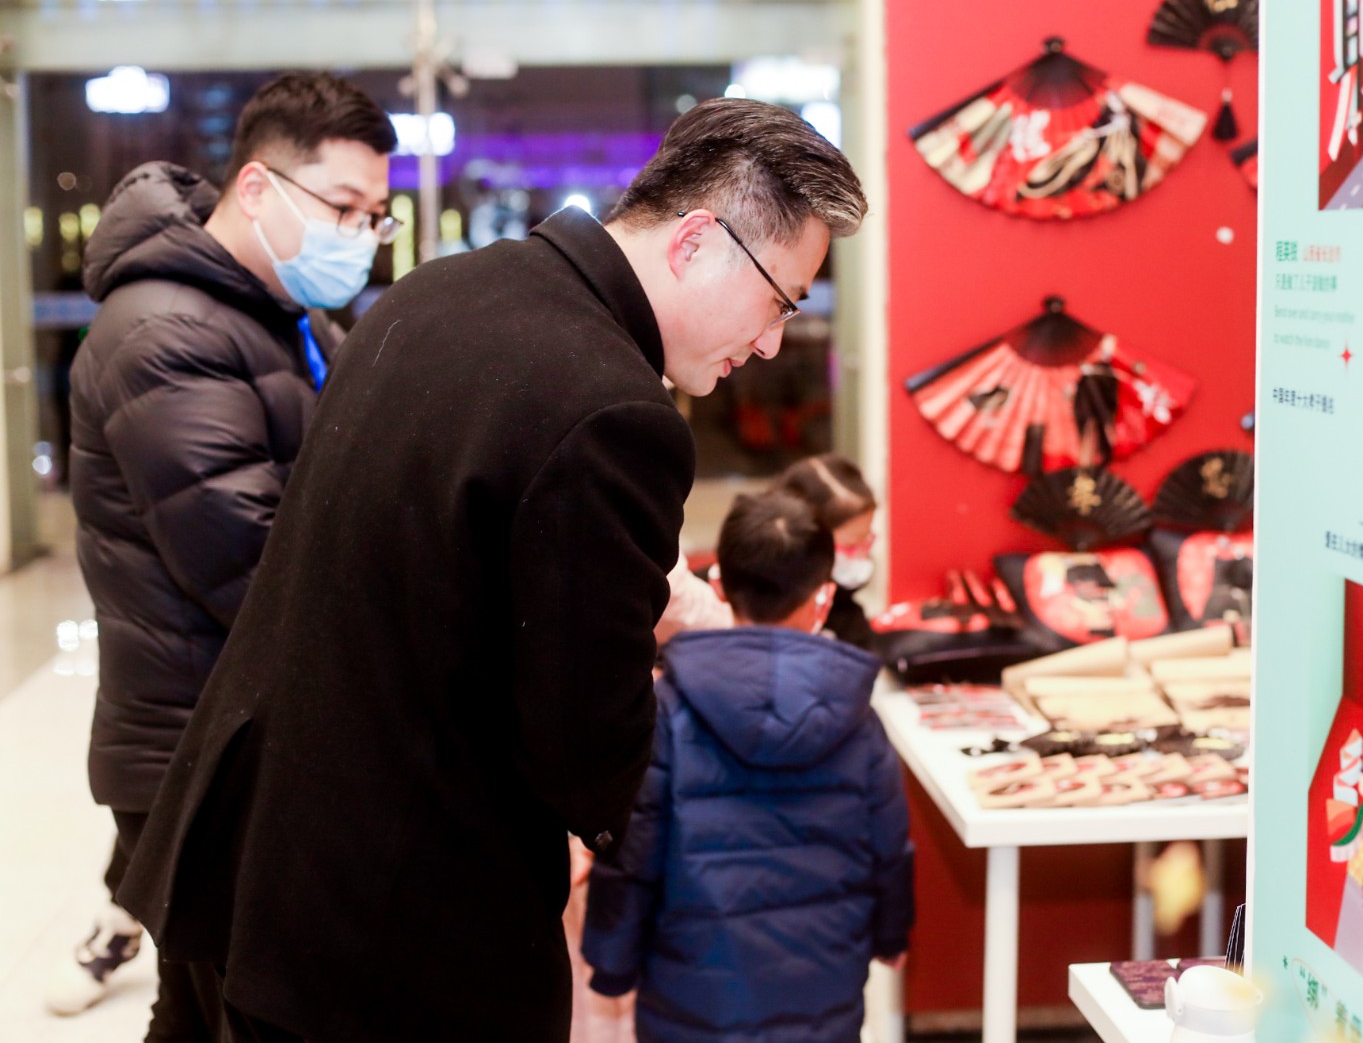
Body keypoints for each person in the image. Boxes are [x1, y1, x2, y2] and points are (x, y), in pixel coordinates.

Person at [117, 97, 867, 1042]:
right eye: (779, 300)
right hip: (396, 926)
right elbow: (581, 749)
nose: (770, 342)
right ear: (696, 243)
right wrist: (665, 628)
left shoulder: (438, 291)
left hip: (250, 852)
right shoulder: (614, 411)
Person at [57, 73, 395, 1035]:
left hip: (243, 729)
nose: (360, 235)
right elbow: (250, 562)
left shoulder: (282, 314)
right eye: (343, 207)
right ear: (257, 187)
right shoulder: (167, 331)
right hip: (199, 746)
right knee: (235, 1007)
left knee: (199, 1011)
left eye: (374, 217)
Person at [581, 490, 914, 1042]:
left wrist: (612, 962)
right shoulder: (859, 719)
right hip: (822, 994)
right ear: (824, 596)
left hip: (691, 1000)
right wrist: (891, 934)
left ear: (718, 585)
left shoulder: (668, 711)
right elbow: (889, 848)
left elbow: (635, 852)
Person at [773, 453, 879, 649]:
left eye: (867, 540)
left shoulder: (846, 617)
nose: (862, 555)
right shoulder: (751, 607)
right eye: (851, 545)